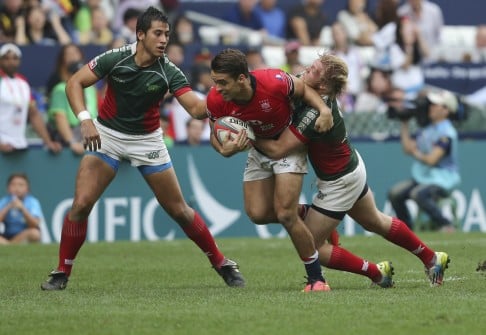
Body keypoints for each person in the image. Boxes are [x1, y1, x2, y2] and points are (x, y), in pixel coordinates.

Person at [40, 6, 245, 291]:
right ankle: (61, 271)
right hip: (108, 135)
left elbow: (197, 109)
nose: (164, 40)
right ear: (140, 35)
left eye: (167, 35)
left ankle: (222, 263)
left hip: (147, 140)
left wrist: (225, 92)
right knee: (81, 204)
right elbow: (75, 83)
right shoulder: (116, 58)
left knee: (179, 210)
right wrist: (85, 120)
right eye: (158, 34)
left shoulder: (168, 70)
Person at [254, 53, 450, 287]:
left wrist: (248, 132)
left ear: (324, 85)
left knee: (312, 245)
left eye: (313, 69)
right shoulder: (306, 86)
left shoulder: (316, 110)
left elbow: (278, 150)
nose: (306, 70)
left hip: (340, 181)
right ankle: (430, 257)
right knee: (375, 221)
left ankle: (376, 273)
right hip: (350, 168)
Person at [207, 48, 334, 291]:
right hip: (258, 149)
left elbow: (305, 89)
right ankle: (311, 214)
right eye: (215, 82)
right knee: (257, 213)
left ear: (242, 79)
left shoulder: (273, 81)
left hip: (286, 144)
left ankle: (317, 279)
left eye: (223, 83)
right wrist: (223, 150)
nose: (218, 89)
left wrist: (324, 109)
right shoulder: (215, 99)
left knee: (286, 215)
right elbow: (215, 132)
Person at [388, 89, 461, 233]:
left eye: (436, 105)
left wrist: (416, 152)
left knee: (418, 194)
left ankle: (446, 225)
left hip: (443, 179)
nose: (431, 107)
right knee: (395, 193)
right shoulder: (426, 130)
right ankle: (407, 231)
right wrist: (405, 123)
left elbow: (432, 159)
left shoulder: (447, 133)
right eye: (431, 104)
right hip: (424, 177)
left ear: (446, 110)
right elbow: (407, 149)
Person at [0, 43, 62, 154]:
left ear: (19, 61)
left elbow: (33, 113)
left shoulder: (23, 83)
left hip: (19, 144)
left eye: (15, 58)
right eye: (6, 58)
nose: (11, 62)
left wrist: (48, 142)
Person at [47, 61, 98, 155]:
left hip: (89, 138)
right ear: (69, 75)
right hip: (66, 141)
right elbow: (59, 117)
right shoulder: (61, 89)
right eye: (77, 73)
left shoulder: (91, 90)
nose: (82, 76)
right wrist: (72, 142)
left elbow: (96, 117)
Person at [0, 172, 42, 245]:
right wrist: (9, 206)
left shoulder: (32, 202)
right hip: (6, 236)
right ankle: (10, 245)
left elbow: (35, 224)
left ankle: (8, 246)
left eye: (21, 185)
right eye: (13, 184)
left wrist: (22, 209)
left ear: (28, 189)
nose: (17, 188)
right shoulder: (4, 201)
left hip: (23, 236)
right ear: (8, 188)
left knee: (35, 234)